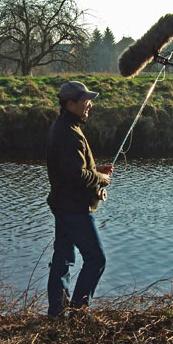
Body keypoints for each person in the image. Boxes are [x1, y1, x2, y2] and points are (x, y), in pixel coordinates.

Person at [46, 80, 114, 317]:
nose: (89, 104)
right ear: (70, 103)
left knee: (63, 259)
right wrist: (101, 178)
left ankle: (57, 312)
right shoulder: (69, 133)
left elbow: (75, 167)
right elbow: (76, 174)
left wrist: (97, 168)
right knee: (96, 259)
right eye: (85, 100)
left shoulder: (67, 126)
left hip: (63, 204)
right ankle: (78, 312)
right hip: (74, 208)